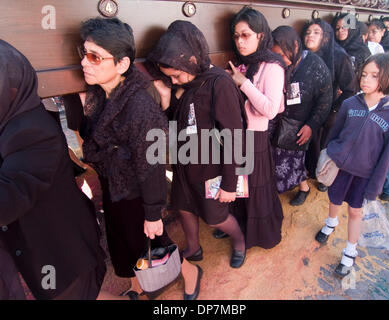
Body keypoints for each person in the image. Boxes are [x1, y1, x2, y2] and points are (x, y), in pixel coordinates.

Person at [74, 17, 201, 300]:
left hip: (137, 192)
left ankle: (190, 272)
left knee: (152, 242)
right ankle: (136, 285)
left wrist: (153, 213)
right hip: (112, 185)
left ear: (122, 64)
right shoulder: (99, 95)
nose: (85, 62)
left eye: (95, 56)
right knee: (121, 242)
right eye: (84, 54)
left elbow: (152, 166)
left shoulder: (139, 106)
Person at [0, 39, 107, 300]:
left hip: (61, 253)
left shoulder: (33, 131)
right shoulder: (14, 120)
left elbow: (8, 200)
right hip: (46, 250)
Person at [147, 20, 248, 268]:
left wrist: (228, 184)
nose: (176, 80)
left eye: (177, 74)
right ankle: (194, 248)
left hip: (211, 168)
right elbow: (176, 124)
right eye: (171, 77)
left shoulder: (218, 83)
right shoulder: (188, 85)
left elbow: (234, 135)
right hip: (186, 164)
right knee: (184, 208)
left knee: (216, 218)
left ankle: (240, 242)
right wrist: (166, 97)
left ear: (192, 60)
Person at [315, 52, 389, 277]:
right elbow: (335, 133)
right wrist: (332, 154)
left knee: (355, 212)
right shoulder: (350, 103)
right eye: (364, 74)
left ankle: (349, 252)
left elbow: (388, 155)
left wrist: (375, 186)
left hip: (364, 175)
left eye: (374, 76)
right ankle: (330, 223)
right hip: (340, 168)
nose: (365, 80)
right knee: (333, 198)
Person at [224, 7, 284, 249]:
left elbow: (271, 109)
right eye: (236, 35)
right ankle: (237, 226)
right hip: (237, 136)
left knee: (255, 190)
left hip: (256, 138)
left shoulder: (272, 66)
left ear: (260, 35)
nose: (240, 41)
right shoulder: (245, 63)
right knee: (239, 187)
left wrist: (243, 83)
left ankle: (258, 235)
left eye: (246, 35)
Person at [270, 26, 333, 204]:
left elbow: (325, 100)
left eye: (283, 55)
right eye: (276, 56)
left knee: (294, 161)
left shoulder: (315, 66)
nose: (280, 60)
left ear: (295, 46)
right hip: (277, 120)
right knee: (277, 159)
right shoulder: (276, 65)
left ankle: (303, 189)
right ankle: (283, 188)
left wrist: (311, 126)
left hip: (299, 125)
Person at [302, 19, 357, 195]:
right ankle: (311, 172)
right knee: (310, 146)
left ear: (325, 37)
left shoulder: (339, 56)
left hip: (329, 111)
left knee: (324, 147)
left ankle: (325, 176)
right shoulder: (303, 56)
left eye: (316, 32)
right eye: (308, 32)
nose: (310, 36)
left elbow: (350, 89)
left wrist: (334, 109)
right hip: (308, 109)